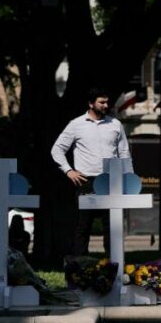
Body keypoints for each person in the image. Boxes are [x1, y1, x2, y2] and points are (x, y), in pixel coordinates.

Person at [51, 87, 132, 256]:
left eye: (107, 102)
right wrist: (69, 171)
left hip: (111, 181)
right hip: (85, 181)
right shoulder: (76, 124)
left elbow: (124, 153)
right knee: (83, 227)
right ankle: (80, 269)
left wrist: (128, 179)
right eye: (102, 102)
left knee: (112, 228)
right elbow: (57, 149)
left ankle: (114, 267)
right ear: (90, 103)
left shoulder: (115, 124)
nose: (106, 105)